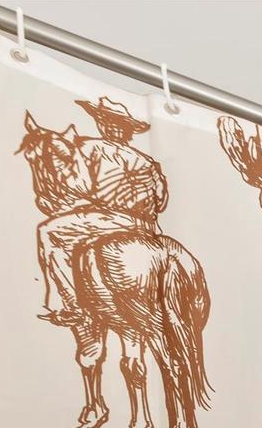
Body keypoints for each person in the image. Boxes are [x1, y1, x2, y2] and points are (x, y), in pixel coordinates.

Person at [35, 97, 169, 327]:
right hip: (146, 227)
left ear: (103, 124)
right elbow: (162, 200)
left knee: (48, 232)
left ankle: (71, 305)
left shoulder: (90, 148)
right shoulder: (147, 161)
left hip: (109, 219)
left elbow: (80, 186)